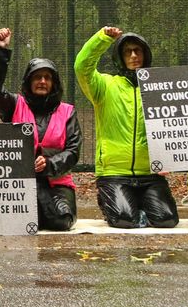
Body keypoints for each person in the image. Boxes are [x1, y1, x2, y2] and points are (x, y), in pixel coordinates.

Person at [76, 26, 178, 228]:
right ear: (119, 57)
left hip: (150, 173)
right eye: (127, 51)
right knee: (123, 219)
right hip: (114, 172)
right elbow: (82, 67)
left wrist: (171, 159)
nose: (133, 55)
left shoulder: (159, 89)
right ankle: (114, 202)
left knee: (167, 220)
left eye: (138, 51)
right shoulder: (105, 86)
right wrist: (102, 39)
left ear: (145, 55)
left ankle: (139, 205)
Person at [0, 28, 82, 231]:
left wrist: (49, 164)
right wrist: (0, 52)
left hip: (57, 183)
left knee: (62, 220)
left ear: (53, 83)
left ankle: (35, 207)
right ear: (29, 81)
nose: (42, 81)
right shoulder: (15, 104)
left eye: (47, 77)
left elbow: (73, 151)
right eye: (37, 77)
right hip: (19, 183)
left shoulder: (67, 111)